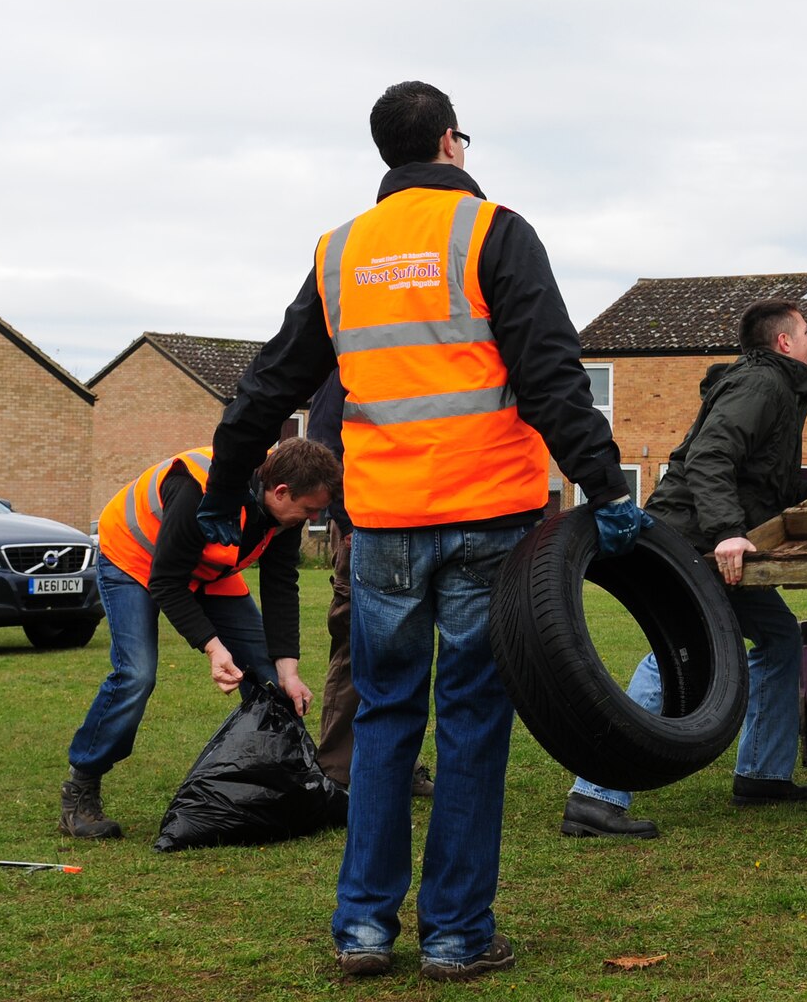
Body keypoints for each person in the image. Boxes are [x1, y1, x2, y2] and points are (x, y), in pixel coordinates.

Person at [198, 80, 651, 983]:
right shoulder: (496, 233)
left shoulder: (339, 255)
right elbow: (553, 374)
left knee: (385, 717)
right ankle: (455, 936)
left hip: (386, 528)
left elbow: (268, 384)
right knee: (475, 720)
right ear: (451, 142)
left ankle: (363, 928)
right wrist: (606, 487)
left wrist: (224, 490)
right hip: (491, 516)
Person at [560, 299, 807, 839]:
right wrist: (729, 530)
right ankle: (594, 794)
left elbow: (761, 479)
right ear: (783, 344)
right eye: (806, 334)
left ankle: (762, 774)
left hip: (717, 540)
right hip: (691, 539)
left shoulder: (781, 388)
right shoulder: (763, 385)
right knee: (672, 655)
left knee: (779, 639)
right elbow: (709, 457)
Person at [59, 438, 341, 839]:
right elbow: (167, 583)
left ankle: (273, 786)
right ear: (280, 492)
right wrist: (213, 647)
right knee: (136, 675)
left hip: (206, 571)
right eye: (309, 510)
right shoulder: (199, 489)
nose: (312, 517)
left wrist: (288, 669)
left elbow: (281, 584)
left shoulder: (283, 514)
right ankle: (81, 787)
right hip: (134, 559)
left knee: (267, 677)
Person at [303, 371, 433, 800]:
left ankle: (398, 763)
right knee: (355, 648)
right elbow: (322, 450)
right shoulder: (344, 367)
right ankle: (338, 772)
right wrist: (346, 520)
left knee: (408, 651)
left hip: (420, 527)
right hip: (363, 533)